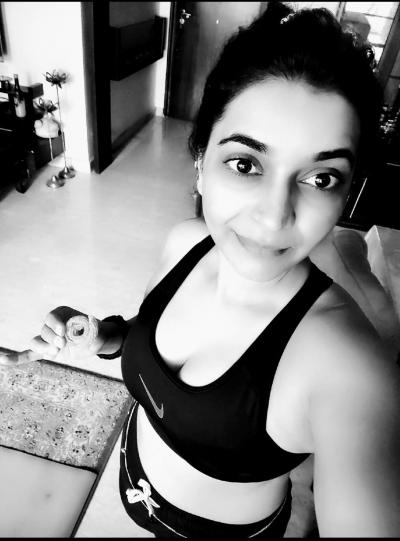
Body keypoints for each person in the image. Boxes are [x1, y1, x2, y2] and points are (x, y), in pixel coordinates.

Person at [29, 2, 400, 538]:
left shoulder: (350, 367)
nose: (274, 217)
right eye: (246, 164)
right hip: (134, 479)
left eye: (321, 178)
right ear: (201, 162)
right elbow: (144, 339)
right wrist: (104, 338)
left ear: (346, 194)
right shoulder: (185, 243)